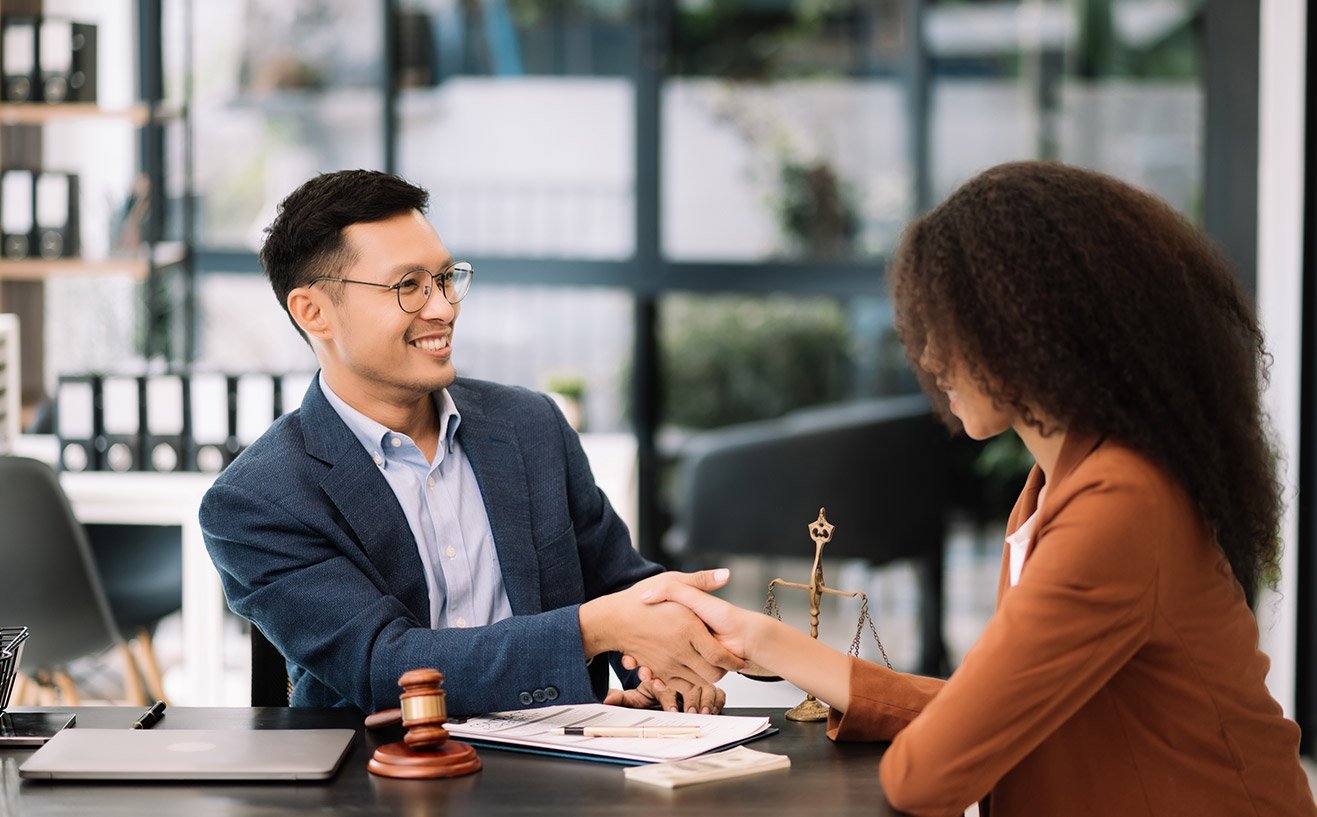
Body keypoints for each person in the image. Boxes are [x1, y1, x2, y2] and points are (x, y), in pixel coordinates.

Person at [639, 162, 1317, 816]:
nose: (930, 358)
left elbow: (930, 771)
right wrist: (760, 641)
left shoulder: (1119, 506)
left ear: (1036, 326)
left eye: (949, 328)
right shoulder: (1058, 484)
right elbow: (991, 711)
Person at [200, 169, 741, 719]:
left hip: (562, 762)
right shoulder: (257, 500)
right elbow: (384, 667)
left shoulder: (530, 424)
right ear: (312, 312)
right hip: (379, 779)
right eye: (408, 286)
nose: (443, 308)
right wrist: (594, 630)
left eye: (444, 279)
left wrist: (659, 670)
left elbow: (620, 582)